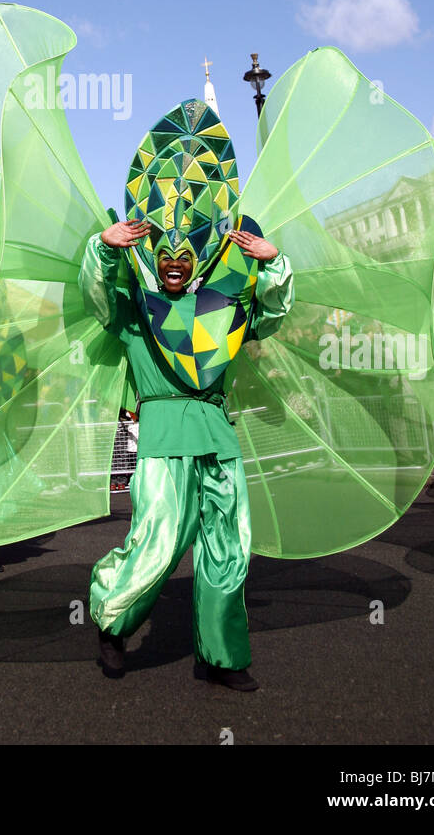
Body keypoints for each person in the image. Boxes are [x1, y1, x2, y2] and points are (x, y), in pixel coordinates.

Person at [79, 99, 293, 690]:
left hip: (217, 435)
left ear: (198, 252)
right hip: (164, 437)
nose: (174, 263)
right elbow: (98, 294)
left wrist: (273, 266)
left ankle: (222, 656)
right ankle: (112, 622)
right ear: (154, 256)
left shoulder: (224, 305)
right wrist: (103, 247)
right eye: (164, 256)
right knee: (158, 538)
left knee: (230, 545)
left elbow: (269, 316)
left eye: (185, 255)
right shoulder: (131, 307)